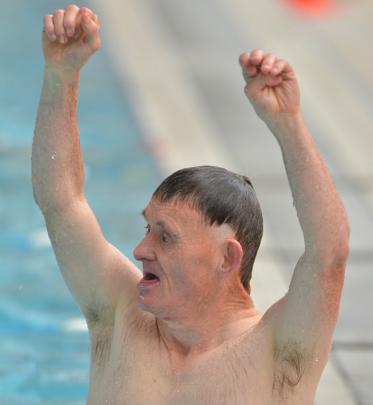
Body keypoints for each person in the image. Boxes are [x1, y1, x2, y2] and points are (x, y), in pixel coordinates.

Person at [32, 5, 349, 405]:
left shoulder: (278, 350)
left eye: (166, 238)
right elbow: (62, 203)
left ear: (227, 259)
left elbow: (329, 255)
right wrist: (62, 76)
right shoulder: (120, 314)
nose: (140, 251)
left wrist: (288, 124)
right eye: (148, 229)